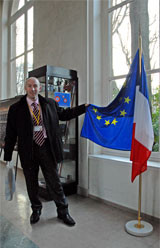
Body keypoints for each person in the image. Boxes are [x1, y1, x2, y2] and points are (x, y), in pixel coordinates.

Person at [4, 77, 88, 226]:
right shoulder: (16, 108)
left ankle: (63, 211)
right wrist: (8, 154)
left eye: (35, 86)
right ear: (25, 88)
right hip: (28, 151)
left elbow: (65, 114)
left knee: (54, 181)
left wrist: (83, 107)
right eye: (29, 86)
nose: (33, 89)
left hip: (47, 149)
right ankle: (36, 209)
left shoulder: (49, 104)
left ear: (40, 88)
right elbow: (10, 133)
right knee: (31, 182)